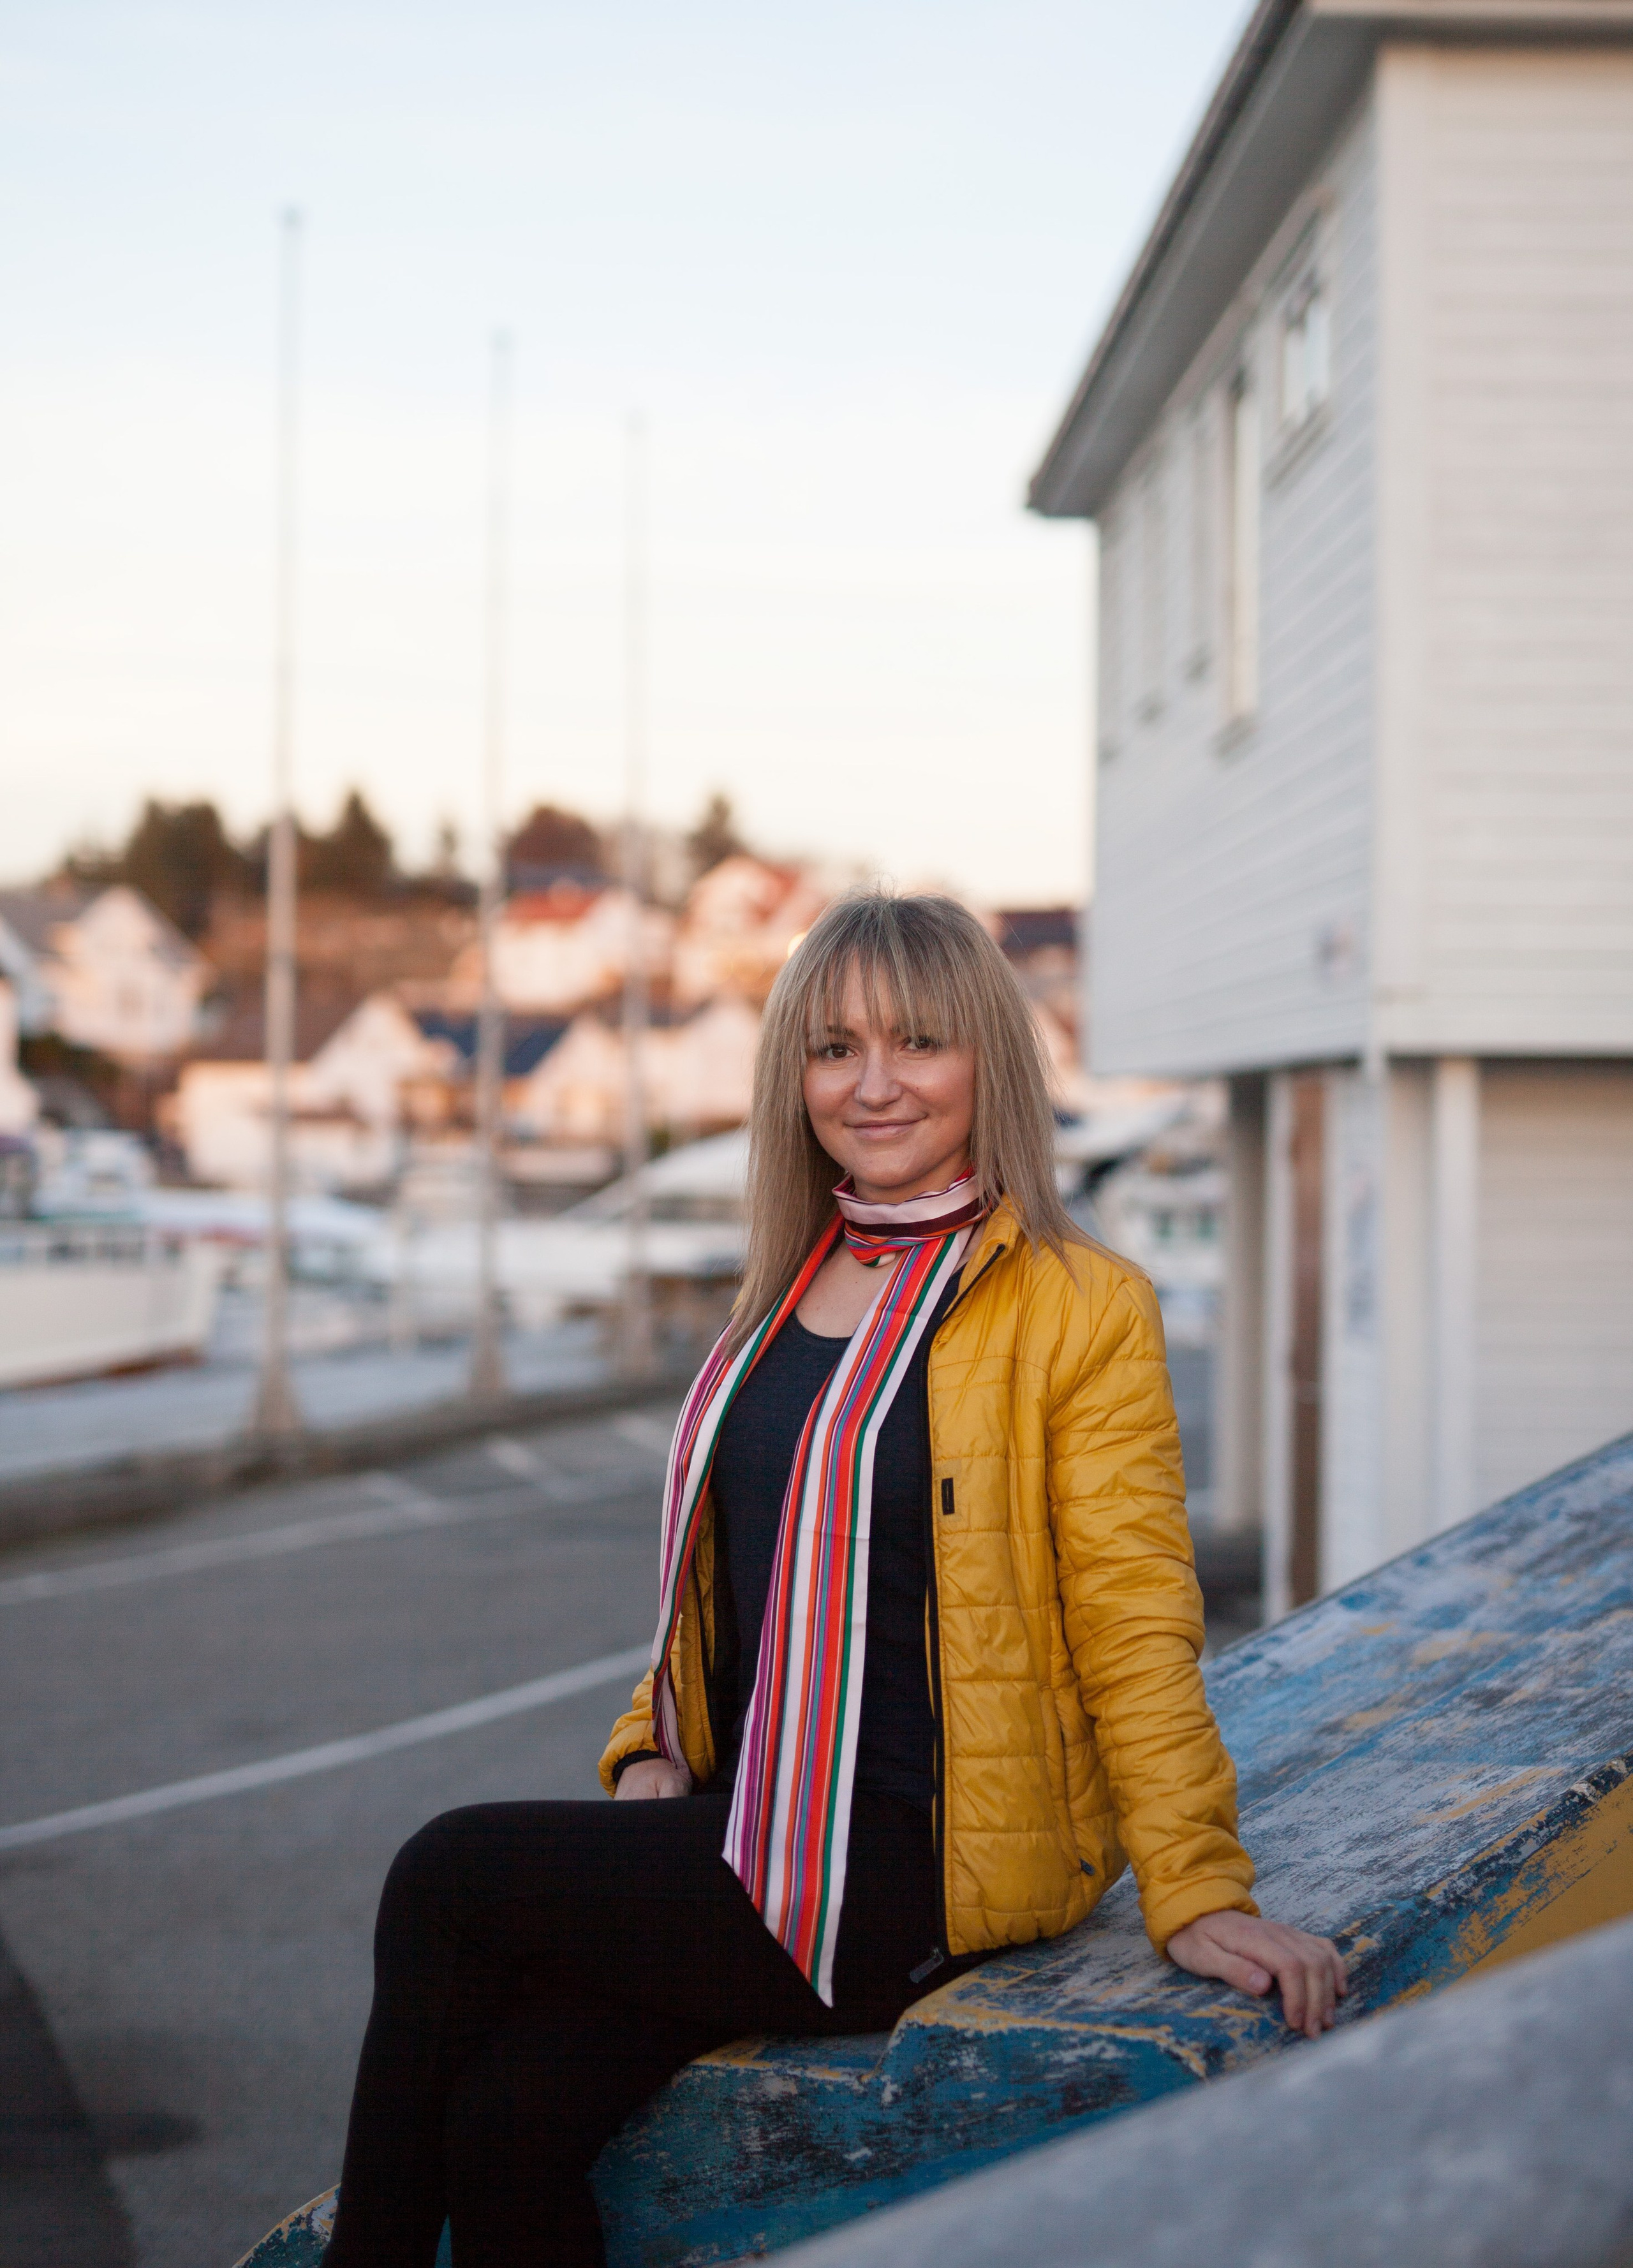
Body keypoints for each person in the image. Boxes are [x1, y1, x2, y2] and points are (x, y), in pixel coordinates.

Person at [323, 890, 1345, 2268]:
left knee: (447, 1875)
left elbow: (1132, 1614)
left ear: (987, 1057)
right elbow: (724, 1587)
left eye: (916, 1042)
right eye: (831, 1047)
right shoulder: (783, 1286)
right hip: (743, 1829)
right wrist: (647, 1748)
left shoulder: (1073, 1305)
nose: (871, 1084)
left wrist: (1198, 1884)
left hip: (906, 1865)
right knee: (510, 2115)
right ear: (789, 1076)